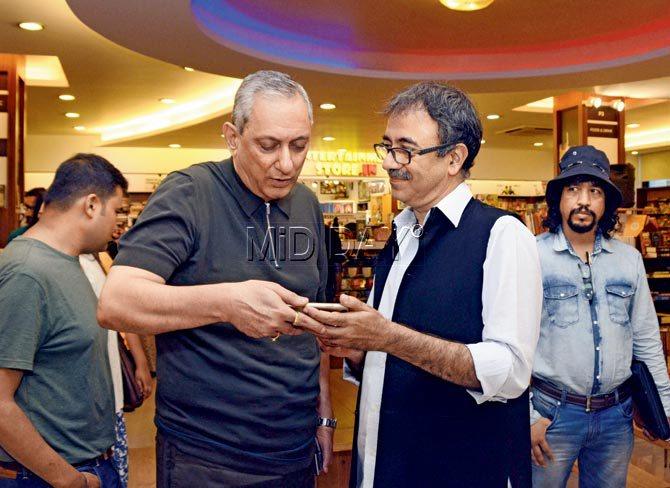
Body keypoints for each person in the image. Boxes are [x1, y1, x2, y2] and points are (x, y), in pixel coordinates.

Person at [97, 70, 334, 487]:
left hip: (294, 446)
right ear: (232, 137)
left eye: (299, 145)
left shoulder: (307, 205)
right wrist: (226, 302)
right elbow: (117, 301)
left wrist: (325, 414)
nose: (287, 163)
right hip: (207, 453)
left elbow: (316, 324)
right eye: (268, 145)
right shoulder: (191, 192)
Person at [300, 81, 542, 487]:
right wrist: (357, 349)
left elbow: (510, 371)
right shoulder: (402, 234)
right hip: (388, 464)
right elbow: (386, 349)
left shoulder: (502, 234)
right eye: (387, 147)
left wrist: (389, 338)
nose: (391, 162)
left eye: (406, 150)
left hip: (459, 469)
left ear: (454, 158)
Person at [529, 145, 670, 488]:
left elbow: (647, 339)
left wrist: (664, 409)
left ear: (606, 201)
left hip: (615, 417)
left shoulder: (628, 260)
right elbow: (512, 343)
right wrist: (527, 415)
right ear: (558, 200)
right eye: (573, 189)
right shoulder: (532, 255)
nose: (583, 201)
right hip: (551, 415)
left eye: (594, 191)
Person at [0, 153, 127, 487]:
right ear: (91, 205)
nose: (117, 223)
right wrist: (70, 481)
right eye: (116, 210)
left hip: (86, 463)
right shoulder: (28, 272)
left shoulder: (69, 261)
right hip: (47, 476)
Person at [79, 252, 153, 488]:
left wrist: (140, 361)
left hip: (112, 397)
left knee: (117, 471)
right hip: (88, 403)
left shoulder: (101, 259)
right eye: (110, 212)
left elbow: (120, 312)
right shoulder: (63, 263)